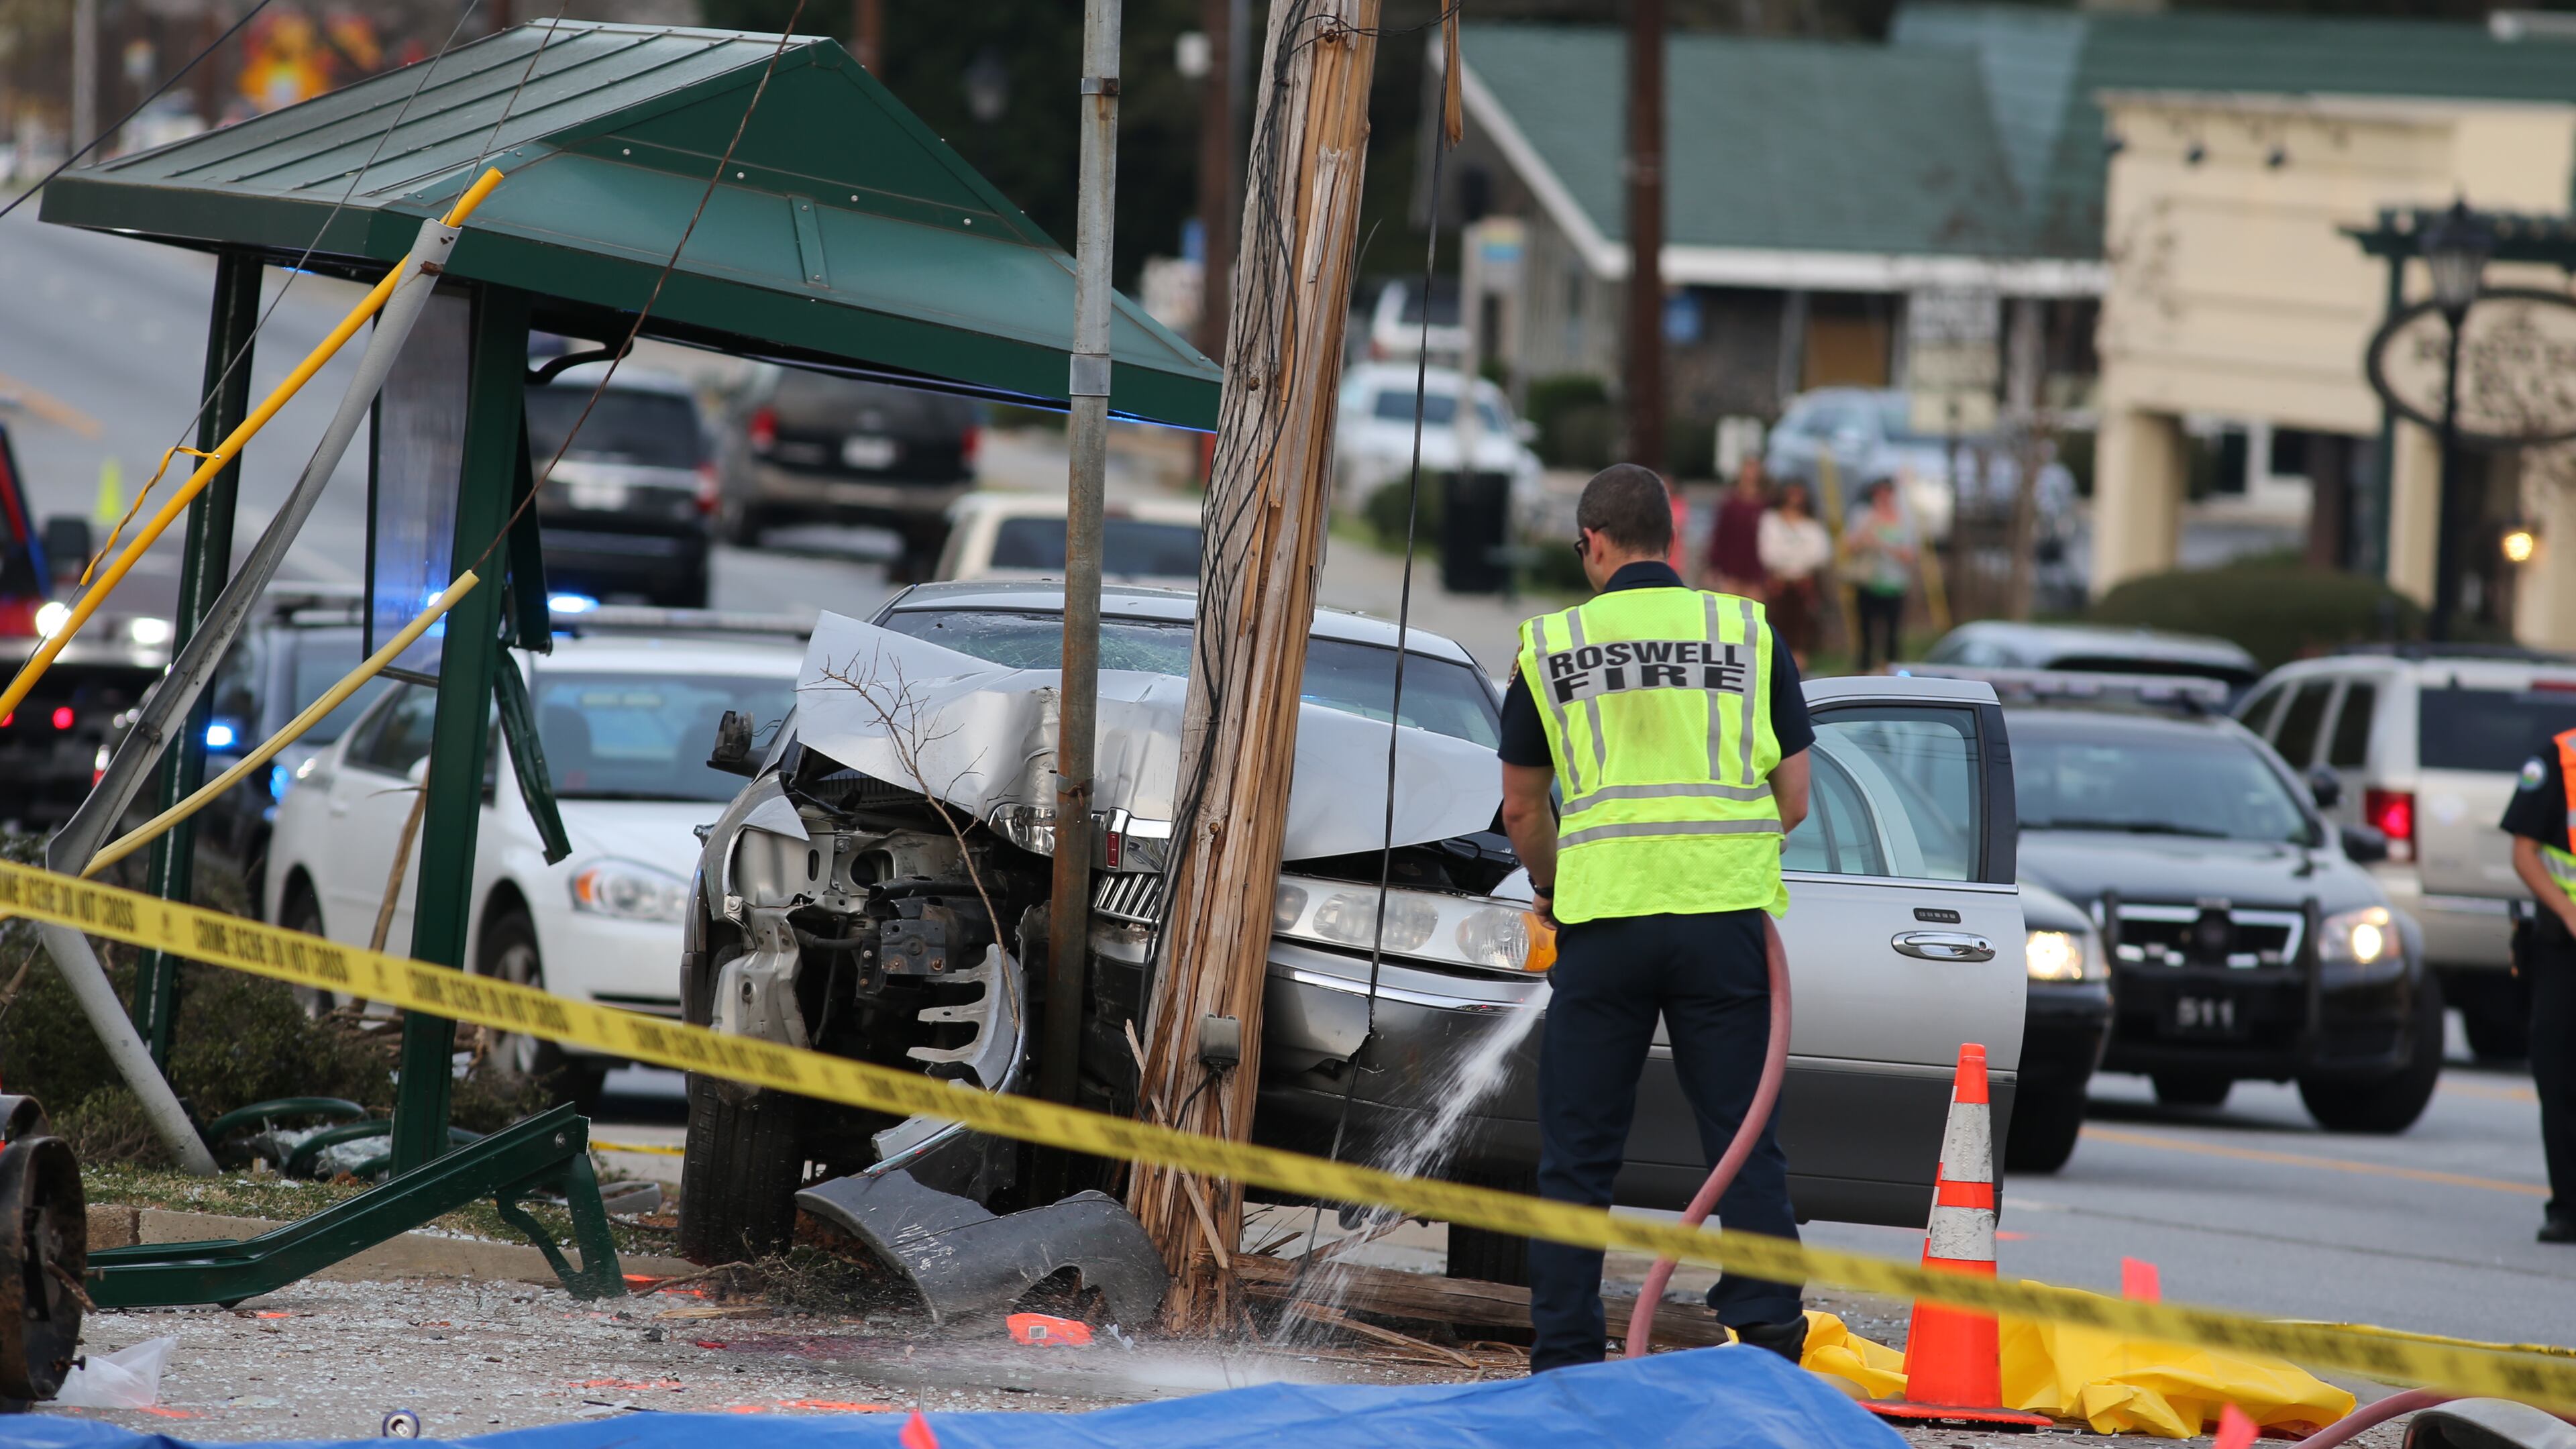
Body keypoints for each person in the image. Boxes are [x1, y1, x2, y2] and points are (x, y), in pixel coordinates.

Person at [1496, 463, 1815, 1371]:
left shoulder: (1550, 645)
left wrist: (1555, 887)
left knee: (1578, 1153)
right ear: (1672, 542)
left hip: (1603, 928)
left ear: (1593, 541)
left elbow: (1522, 808)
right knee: (1745, 1143)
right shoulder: (1747, 632)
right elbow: (1792, 798)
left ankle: (1564, 1356)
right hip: (1724, 925)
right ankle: (1767, 1347)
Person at [2501, 733, 2576, 1243]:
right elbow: (2523, 852)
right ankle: (2568, 1208)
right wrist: (2570, 913)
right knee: (2559, 1073)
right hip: (2564, 947)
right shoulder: (2560, 759)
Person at [1758, 482, 1832, 667]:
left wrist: (1795, 560)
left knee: (1801, 634)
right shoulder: (1771, 521)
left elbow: (1820, 553)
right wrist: (1792, 558)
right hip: (1779, 584)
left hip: (1803, 585)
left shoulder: (1812, 526)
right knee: (1776, 630)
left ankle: (1799, 669)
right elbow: (1769, 552)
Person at [1846, 477, 1915, 673]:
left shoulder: (1904, 518)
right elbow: (1850, 546)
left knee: (1892, 634)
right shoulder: (1863, 515)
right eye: (1879, 492)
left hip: (1894, 584)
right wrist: (1869, 525)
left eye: (1887, 492)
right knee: (1865, 632)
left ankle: (1891, 671)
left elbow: (1909, 555)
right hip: (1868, 582)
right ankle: (1864, 670)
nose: (1883, 497)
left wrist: (1884, 545)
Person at [1705, 455, 1772, 598]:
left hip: (1755, 569)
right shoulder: (1730, 503)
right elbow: (1720, 536)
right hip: (1731, 568)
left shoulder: (1765, 504)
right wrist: (1713, 565)